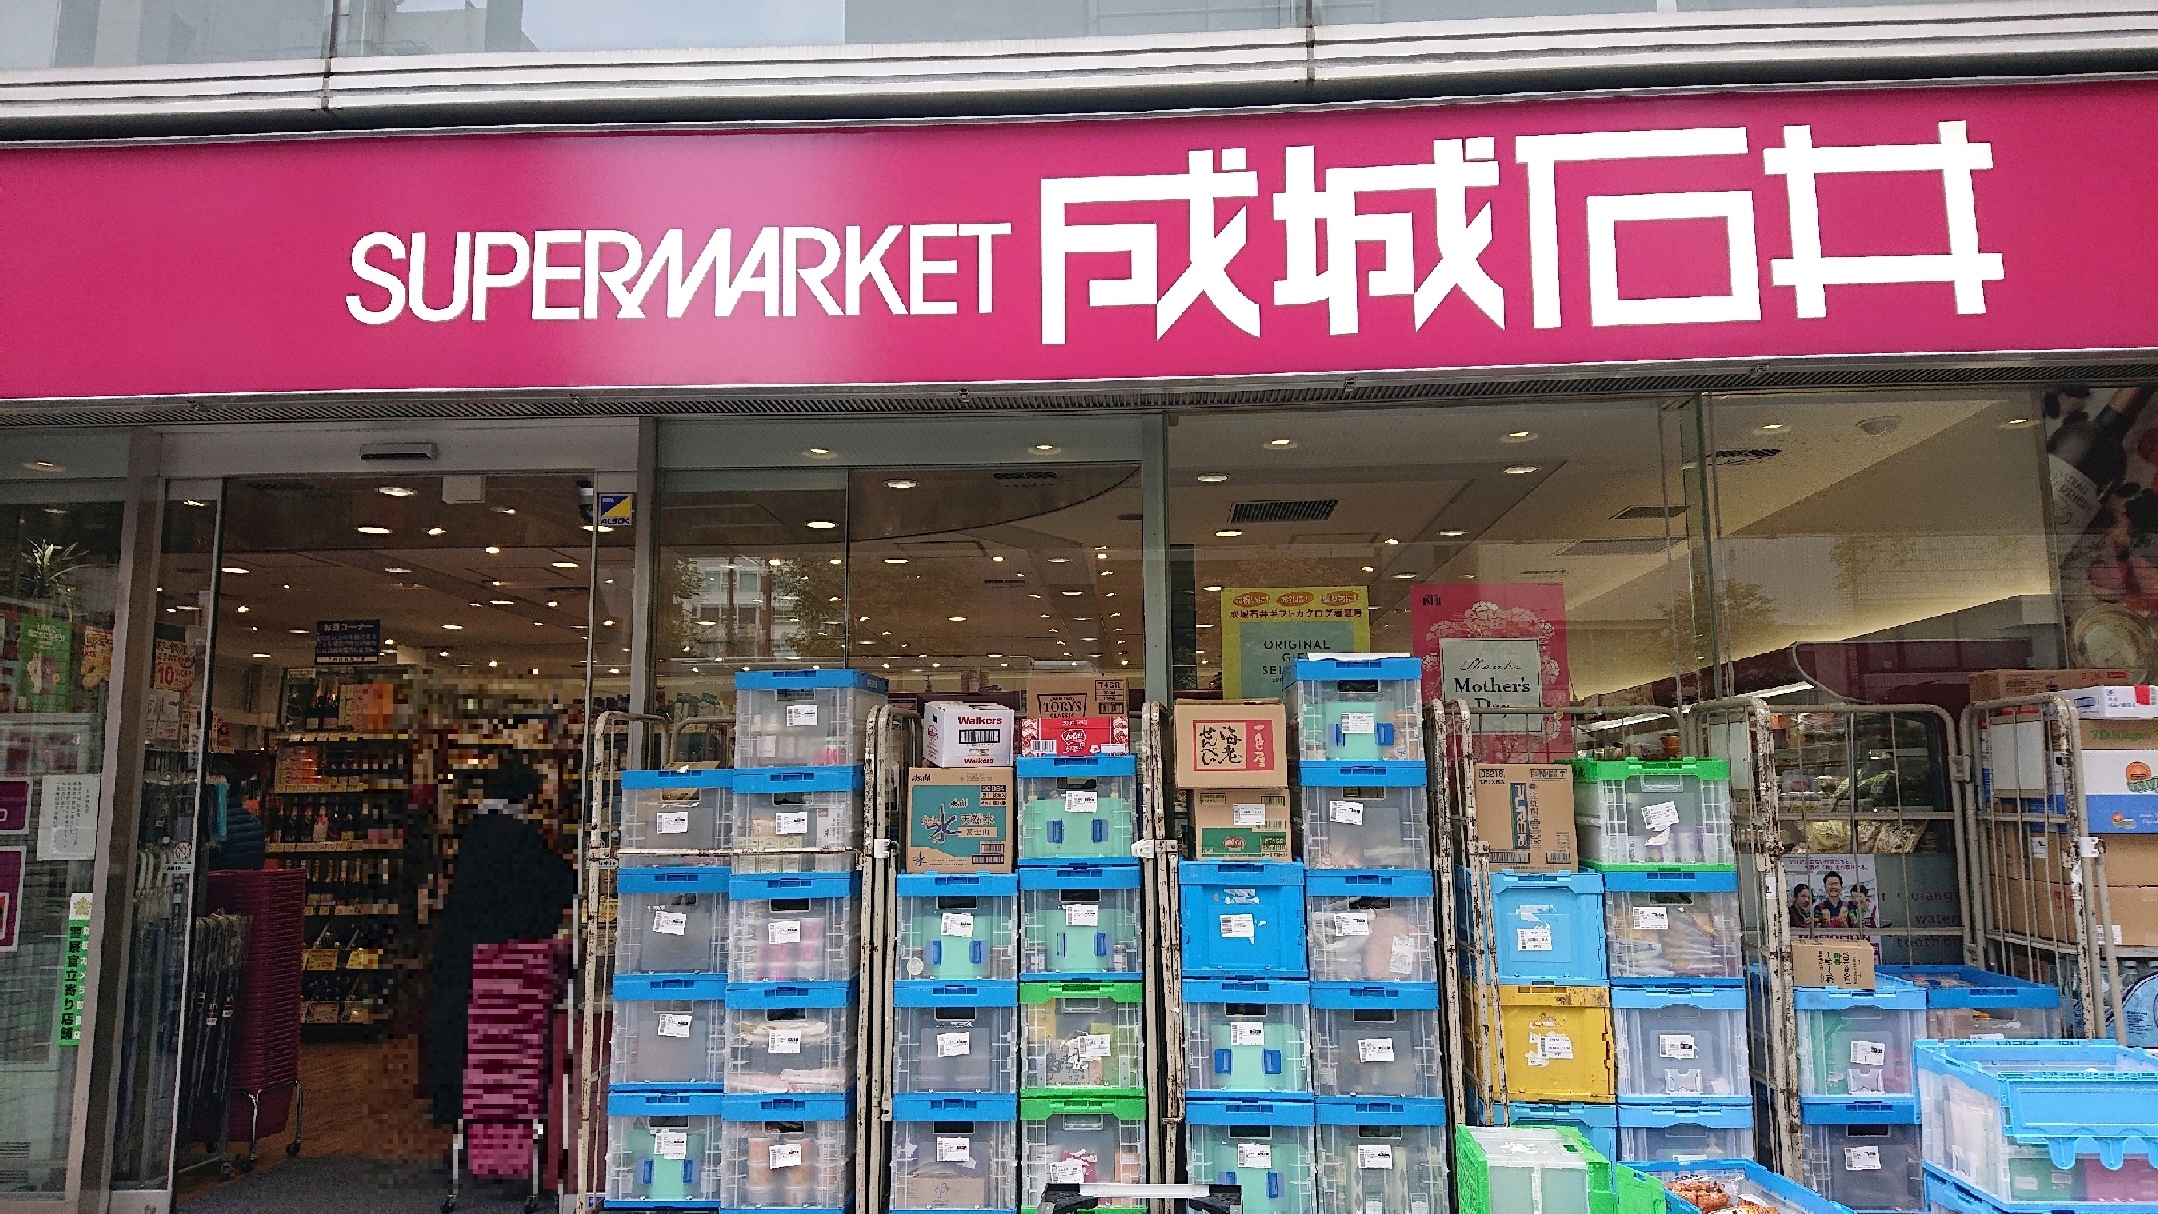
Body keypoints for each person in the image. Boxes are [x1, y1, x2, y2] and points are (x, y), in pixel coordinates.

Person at [424, 764, 576, 1124]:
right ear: (526, 797)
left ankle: (453, 1100)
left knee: (462, 1024)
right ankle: (492, 1105)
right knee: (496, 1030)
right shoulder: (516, 834)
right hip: (500, 950)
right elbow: (554, 881)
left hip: (463, 944)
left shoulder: (476, 829)